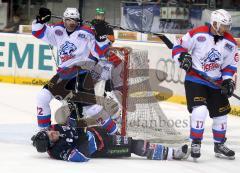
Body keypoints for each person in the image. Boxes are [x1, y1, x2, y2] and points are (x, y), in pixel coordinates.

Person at [32, 7, 118, 135]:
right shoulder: (57, 30)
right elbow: (38, 33)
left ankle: (115, 132)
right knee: (42, 97)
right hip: (63, 74)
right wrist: (39, 20)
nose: (71, 23)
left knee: (91, 108)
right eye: (68, 20)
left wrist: (100, 37)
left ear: (78, 21)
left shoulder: (87, 32)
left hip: (82, 73)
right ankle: (44, 131)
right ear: (64, 20)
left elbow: (99, 53)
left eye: (74, 20)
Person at [172, 9, 238, 160]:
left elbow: (230, 66)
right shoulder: (198, 33)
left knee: (221, 114)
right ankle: (195, 142)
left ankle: (219, 144)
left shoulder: (230, 43)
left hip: (216, 82)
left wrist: (228, 81)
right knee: (200, 110)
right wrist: (183, 57)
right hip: (196, 79)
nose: (225, 30)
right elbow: (178, 46)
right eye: (223, 26)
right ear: (214, 23)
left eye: (227, 27)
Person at [31, 123, 189, 162]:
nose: (52, 132)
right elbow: (82, 157)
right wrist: (87, 139)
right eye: (50, 136)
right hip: (104, 147)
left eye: (48, 132)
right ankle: (174, 154)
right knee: (134, 145)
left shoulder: (53, 128)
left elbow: (72, 122)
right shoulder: (59, 150)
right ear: (51, 144)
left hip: (98, 131)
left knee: (131, 141)